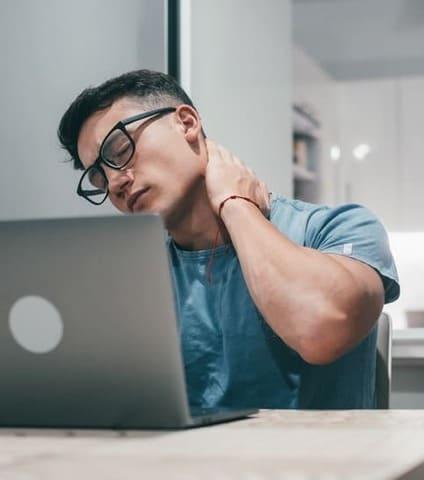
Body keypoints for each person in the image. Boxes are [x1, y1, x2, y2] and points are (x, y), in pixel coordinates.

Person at [58, 69, 400, 409]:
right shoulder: (140, 280)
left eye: (119, 151)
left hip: (318, 462)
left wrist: (235, 205)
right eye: (99, 179)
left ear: (187, 123)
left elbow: (322, 330)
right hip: (184, 462)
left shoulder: (337, 228)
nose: (115, 183)